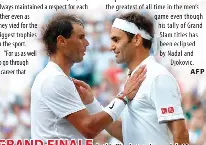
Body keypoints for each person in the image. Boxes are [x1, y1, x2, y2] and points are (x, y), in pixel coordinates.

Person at [75, 11, 189, 145]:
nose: (111, 47)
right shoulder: (132, 79)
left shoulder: (158, 77)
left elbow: (180, 134)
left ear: (136, 39)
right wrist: (91, 102)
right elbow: (126, 134)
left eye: (116, 40)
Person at [30, 13, 146, 142]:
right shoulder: (54, 79)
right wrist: (124, 96)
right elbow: (89, 129)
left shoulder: (57, 77)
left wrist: (92, 103)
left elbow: (121, 133)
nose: (87, 43)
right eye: (81, 37)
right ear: (61, 41)